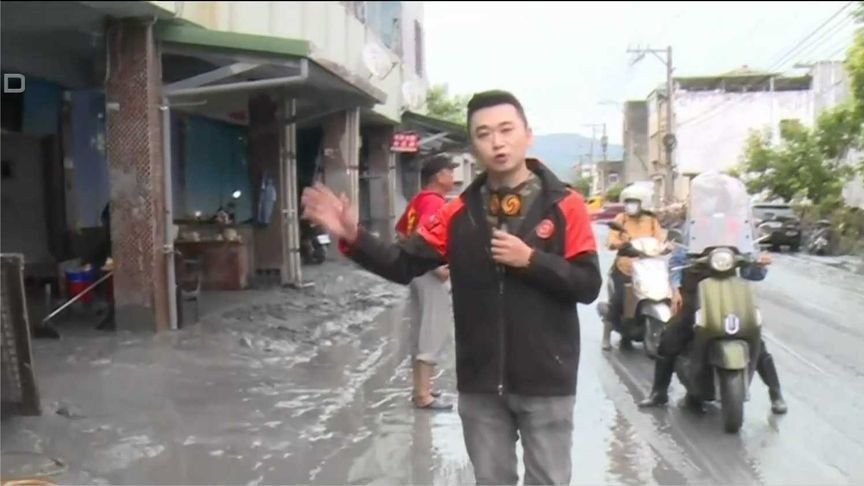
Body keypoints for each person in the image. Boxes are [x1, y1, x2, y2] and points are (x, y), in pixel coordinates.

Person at [302, 90, 601, 486]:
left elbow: (588, 284)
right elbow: (402, 263)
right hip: (480, 384)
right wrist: (353, 235)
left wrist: (531, 260)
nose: (497, 141)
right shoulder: (457, 214)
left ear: (527, 135)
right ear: (473, 146)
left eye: (506, 129)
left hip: (547, 379)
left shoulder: (566, 206)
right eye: (483, 133)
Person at [638, 212, 788, 415]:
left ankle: (776, 393)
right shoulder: (694, 227)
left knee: (753, 335)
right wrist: (675, 289)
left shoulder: (737, 228)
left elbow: (750, 269)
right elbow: (677, 259)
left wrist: (759, 264)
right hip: (695, 290)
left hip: (730, 291)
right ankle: (659, 392)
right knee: (671, 336)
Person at [395, 154, 460, 411]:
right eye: (450, 172)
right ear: (439, 177)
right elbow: (424, 238)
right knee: (433, 330)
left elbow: (401, 234)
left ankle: (421, 390)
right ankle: (423, 395)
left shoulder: (418, 200)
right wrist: (436, 268)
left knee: (421, 329)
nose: (452, 177)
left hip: (415, 273)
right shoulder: (434, 203)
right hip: (429, 274)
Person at [603, 184, 666, 351]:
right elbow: (611, 240)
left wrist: (665, 246)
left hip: (648, 265)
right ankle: (606, 335)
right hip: (626, 267)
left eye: (634, 202)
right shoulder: (621, 219)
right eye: (628, 202)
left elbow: (660, 238)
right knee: (617, 300)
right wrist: (620, 244)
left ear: (643, 203)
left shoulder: (651, 220)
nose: (630, 206)